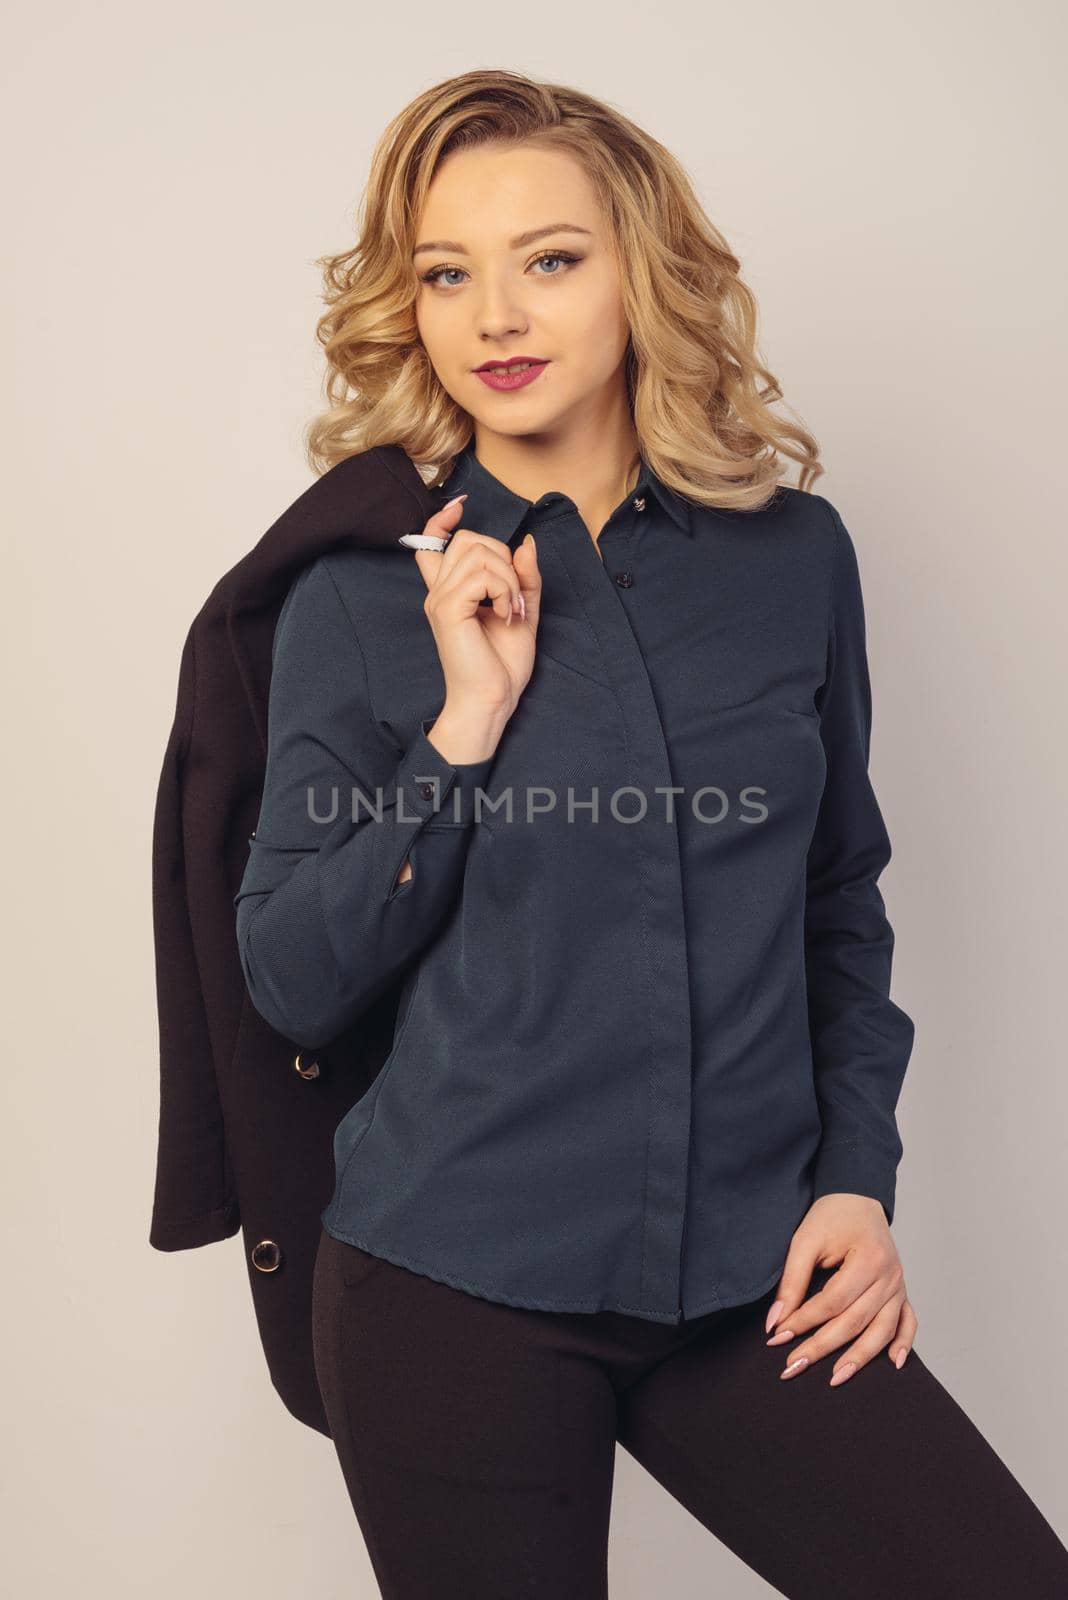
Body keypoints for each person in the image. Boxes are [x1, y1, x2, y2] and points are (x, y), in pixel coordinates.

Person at [234, 67, 1068, 1600]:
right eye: (446, 272)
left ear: (643, 275)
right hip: (452, 1288)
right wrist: (463, 729)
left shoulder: (794, 562)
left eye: (549, 259)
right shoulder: (358, 605)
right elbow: (290, 975)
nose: (496, 314)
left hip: (756, 1270)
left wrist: (856, 1178)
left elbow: (839, 901)